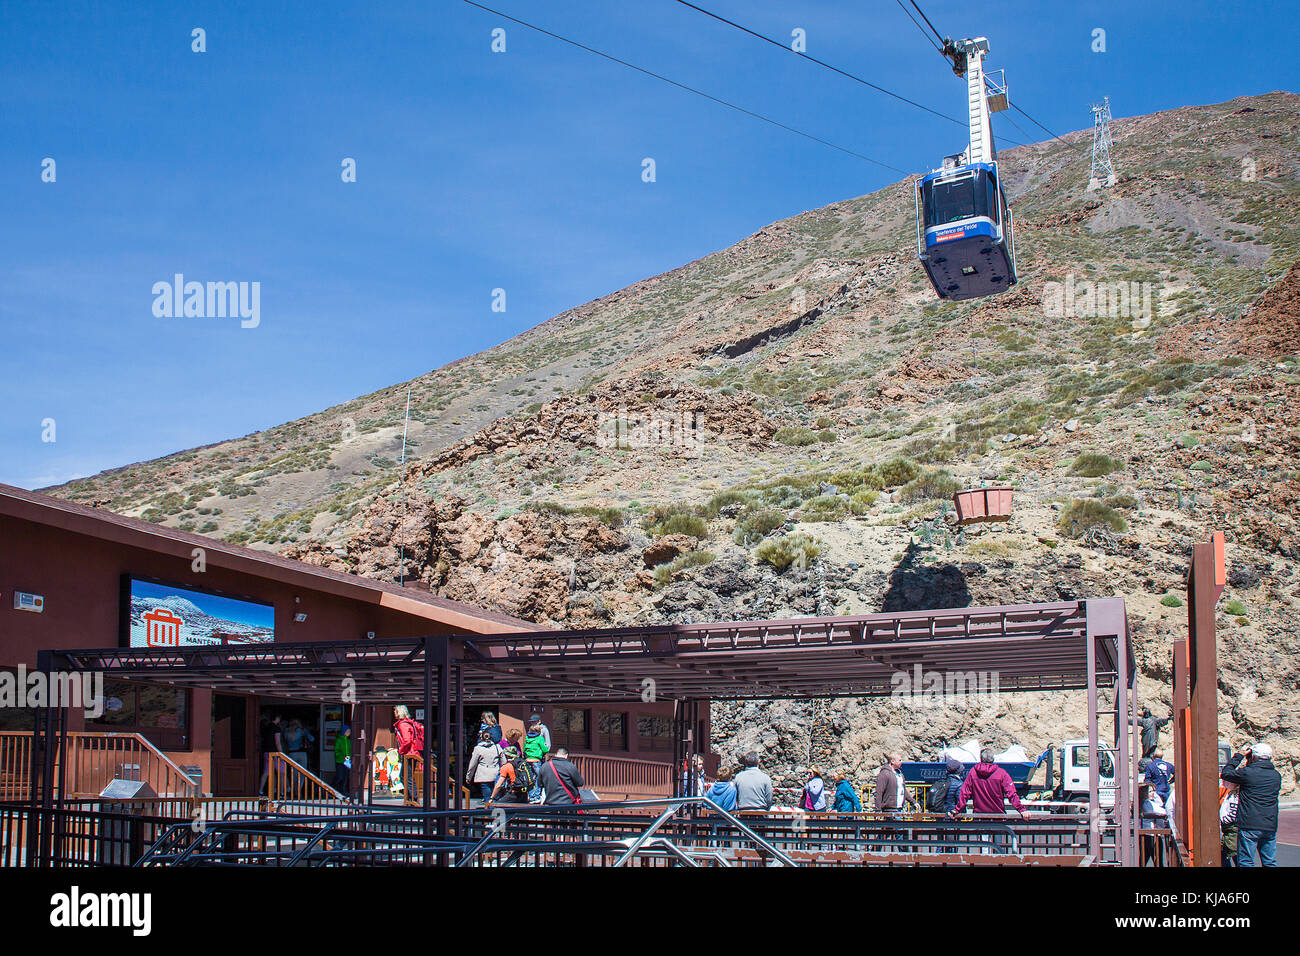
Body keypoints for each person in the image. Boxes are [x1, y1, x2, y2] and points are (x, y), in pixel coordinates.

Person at [1220, 743, 1281, 867]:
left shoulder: (1248, 773)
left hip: (1249, 824)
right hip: (1270, 824)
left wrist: (1239, 756)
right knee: (1269, 862)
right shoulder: (1276, 776)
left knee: (1246, 862)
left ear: (1253, 756)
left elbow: (1226, 773)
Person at [950, 749, 1028, 818]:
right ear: (993, 759)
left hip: (979, 816)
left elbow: (964, 794)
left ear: (981, 759)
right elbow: (1011, 794)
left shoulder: (973, 772)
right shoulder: (1001, 773)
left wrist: (957, 809)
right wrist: (1021, 810)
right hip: (998, 816)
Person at [466, 730, 506, 802]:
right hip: (495, 773)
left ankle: (489, 809)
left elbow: (473, 764)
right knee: (495, 794)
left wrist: (469, 776)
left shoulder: (478, 749)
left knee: (487, 795)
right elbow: (504, 761)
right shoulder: (497, 747)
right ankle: (496, 809)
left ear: (481, 738)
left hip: (483, 774)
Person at [258, 713, 284, 794]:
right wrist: (281, 754)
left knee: (266, 772)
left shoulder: (266, 727)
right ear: (277, 718)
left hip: (266, 752)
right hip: (275, 753)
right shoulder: (276, 728)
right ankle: (282, 792)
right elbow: (277, 742)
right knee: (282, 772)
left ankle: (260, 790)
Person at [1219, 780, 1239, 867]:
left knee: (1235, 854)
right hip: (1228, 829)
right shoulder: (1230, 793)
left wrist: (1224, 820)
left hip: (1231, 829)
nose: (1224, 782)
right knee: (1223, 855)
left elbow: (1233, 813)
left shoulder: (1236, 796)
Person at [332, 724, 352, 793]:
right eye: (348, 731)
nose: (349, 732)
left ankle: (343, 791)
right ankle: (332, 788)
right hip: (340, 761)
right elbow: (337, 751)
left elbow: (350, 750)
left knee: (345, 777)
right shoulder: (339, 740)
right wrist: (343, 757)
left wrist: (350, 756)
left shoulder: (349, 741)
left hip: (347, 762)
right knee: (339, 776)